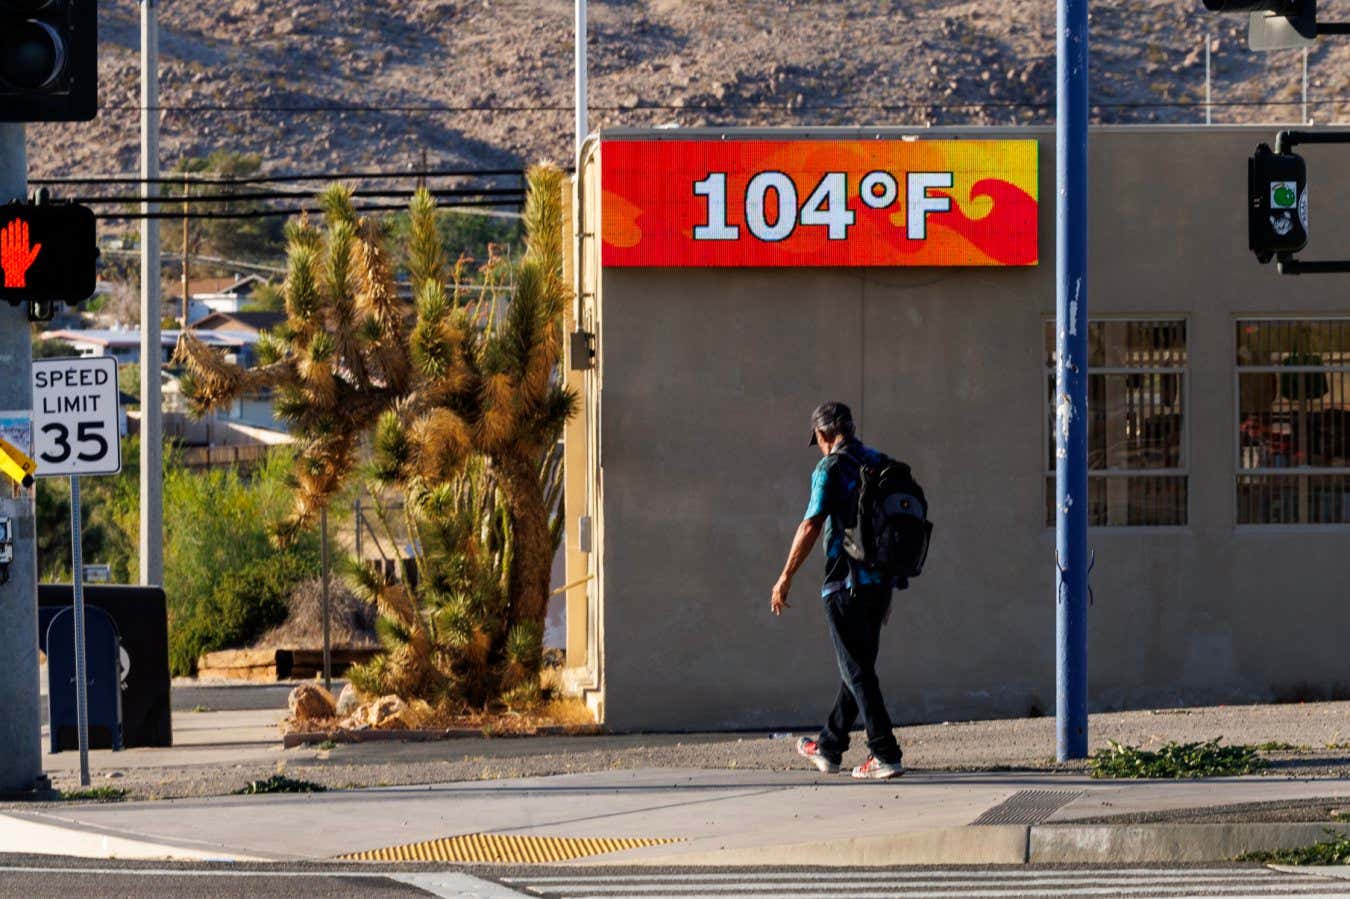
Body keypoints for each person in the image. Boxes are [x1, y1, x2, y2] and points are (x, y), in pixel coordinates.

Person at [771, 401, 905, 780]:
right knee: (858, 667)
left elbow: (811, 524)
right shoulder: (879, 461)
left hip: (843, 583)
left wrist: (785, 577)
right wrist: (889, 586)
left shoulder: (829, 467)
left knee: (858, 670)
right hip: (879, 583)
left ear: (822, 434)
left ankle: (885, 753)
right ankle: (829, 746)